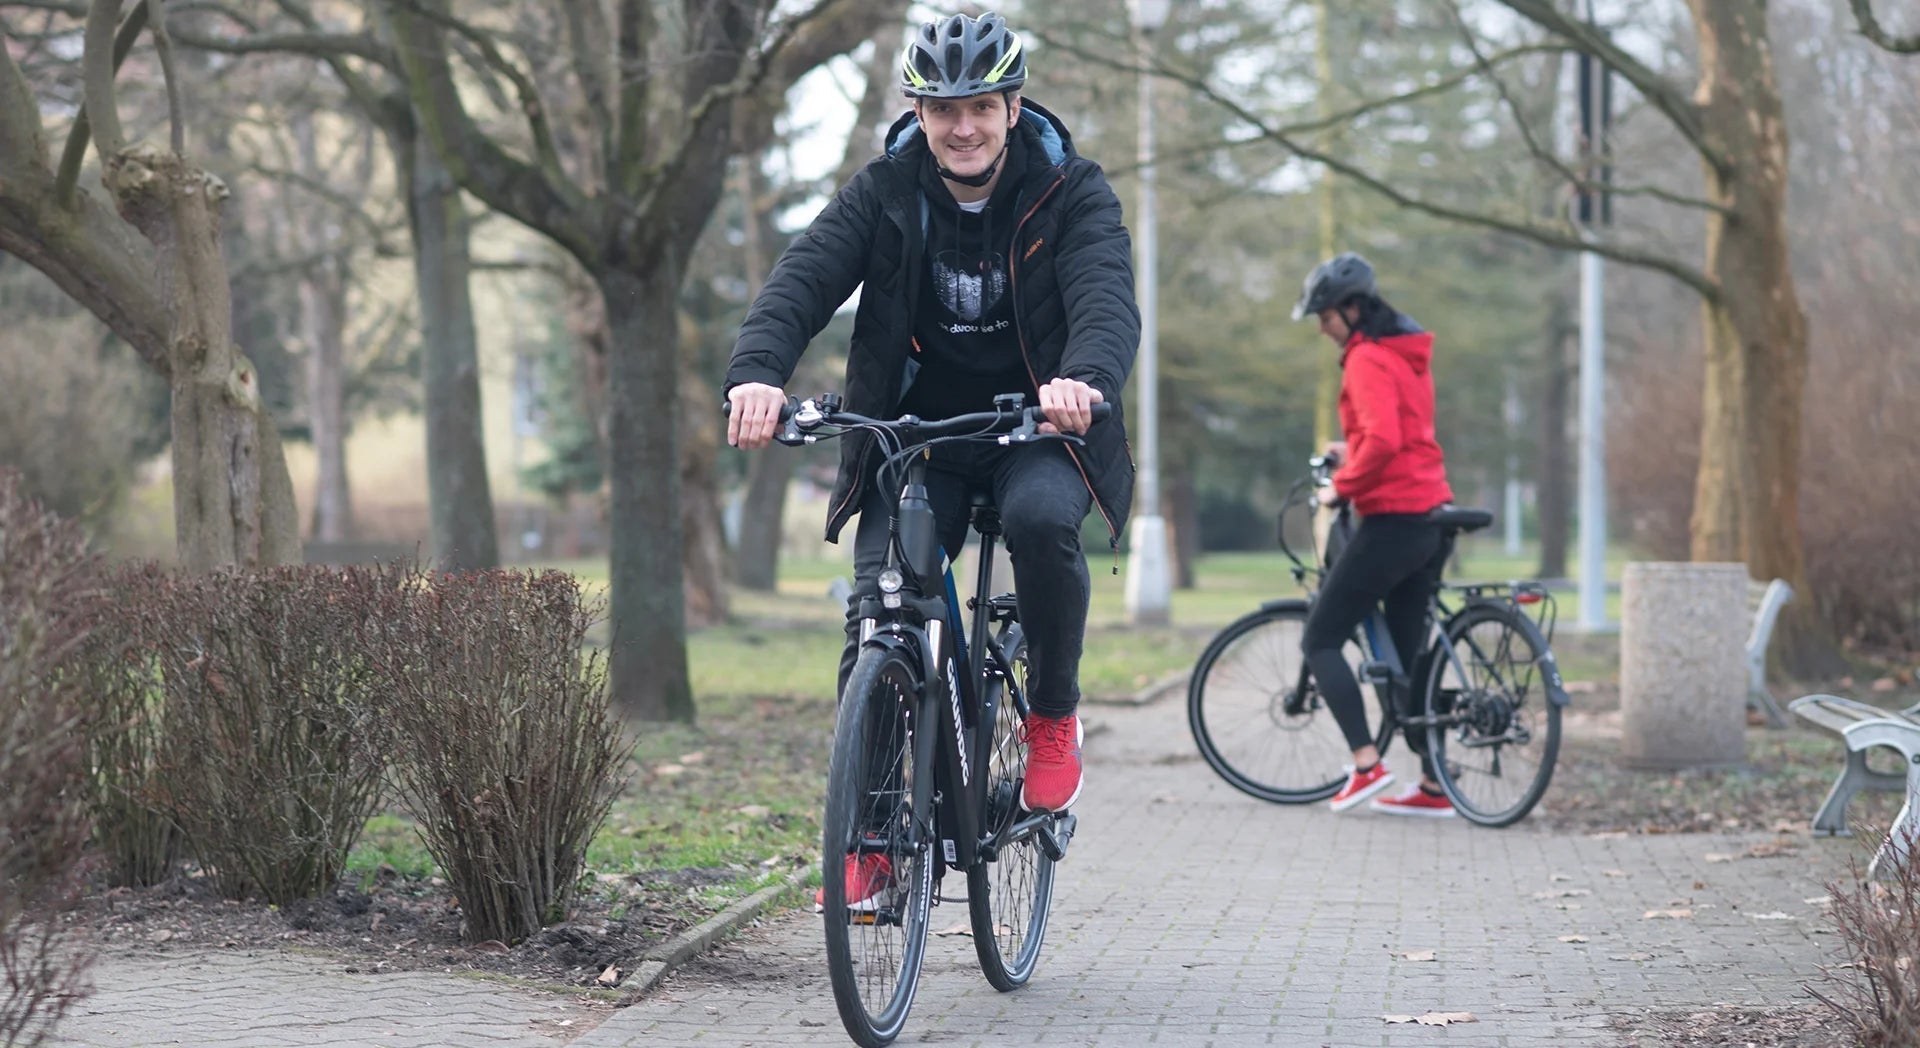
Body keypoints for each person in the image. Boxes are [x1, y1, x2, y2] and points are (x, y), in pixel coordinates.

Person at [724, 13, 1138, 843]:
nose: (962, 127)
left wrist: (1084, 382)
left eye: (981, 106)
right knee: (880, 607)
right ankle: (870, 832)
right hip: (921, 433)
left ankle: (1053, 712)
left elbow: (1104, 297)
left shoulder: (1072, 190)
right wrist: (756, 374)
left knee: (1041, 522)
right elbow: (803, 278)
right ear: (917, 114)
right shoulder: (884, 191)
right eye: (942, 110)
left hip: (1038, 425)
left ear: (1013, 108)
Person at [1293, 253, 1459, 818]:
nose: (1321, 327)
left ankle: (1367, 765)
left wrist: (1342, 485)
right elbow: (1398, 434)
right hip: (1431, 515)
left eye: (1324, 315)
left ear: (1352, 308)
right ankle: (1437, 785)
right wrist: (1352, 451)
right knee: (1405, 657)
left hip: (1393, 517)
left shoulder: (1365, 359)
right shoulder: (1403, 355)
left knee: (1319, 638)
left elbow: (1385, 442)